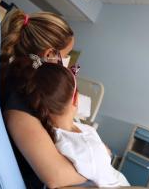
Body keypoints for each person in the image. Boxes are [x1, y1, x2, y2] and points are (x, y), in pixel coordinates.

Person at [0, 9, 86, 188]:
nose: (66, 63)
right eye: (66, 56)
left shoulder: (15, 76)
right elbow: (56, 176)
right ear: (48, 54)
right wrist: (98, 162)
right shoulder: (21, 93)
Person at [20, 55, 130, 187]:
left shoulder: (47, 133)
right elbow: (108, 182)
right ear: (76, 98)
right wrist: (104, 154)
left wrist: (101, 152)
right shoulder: (86, 149)